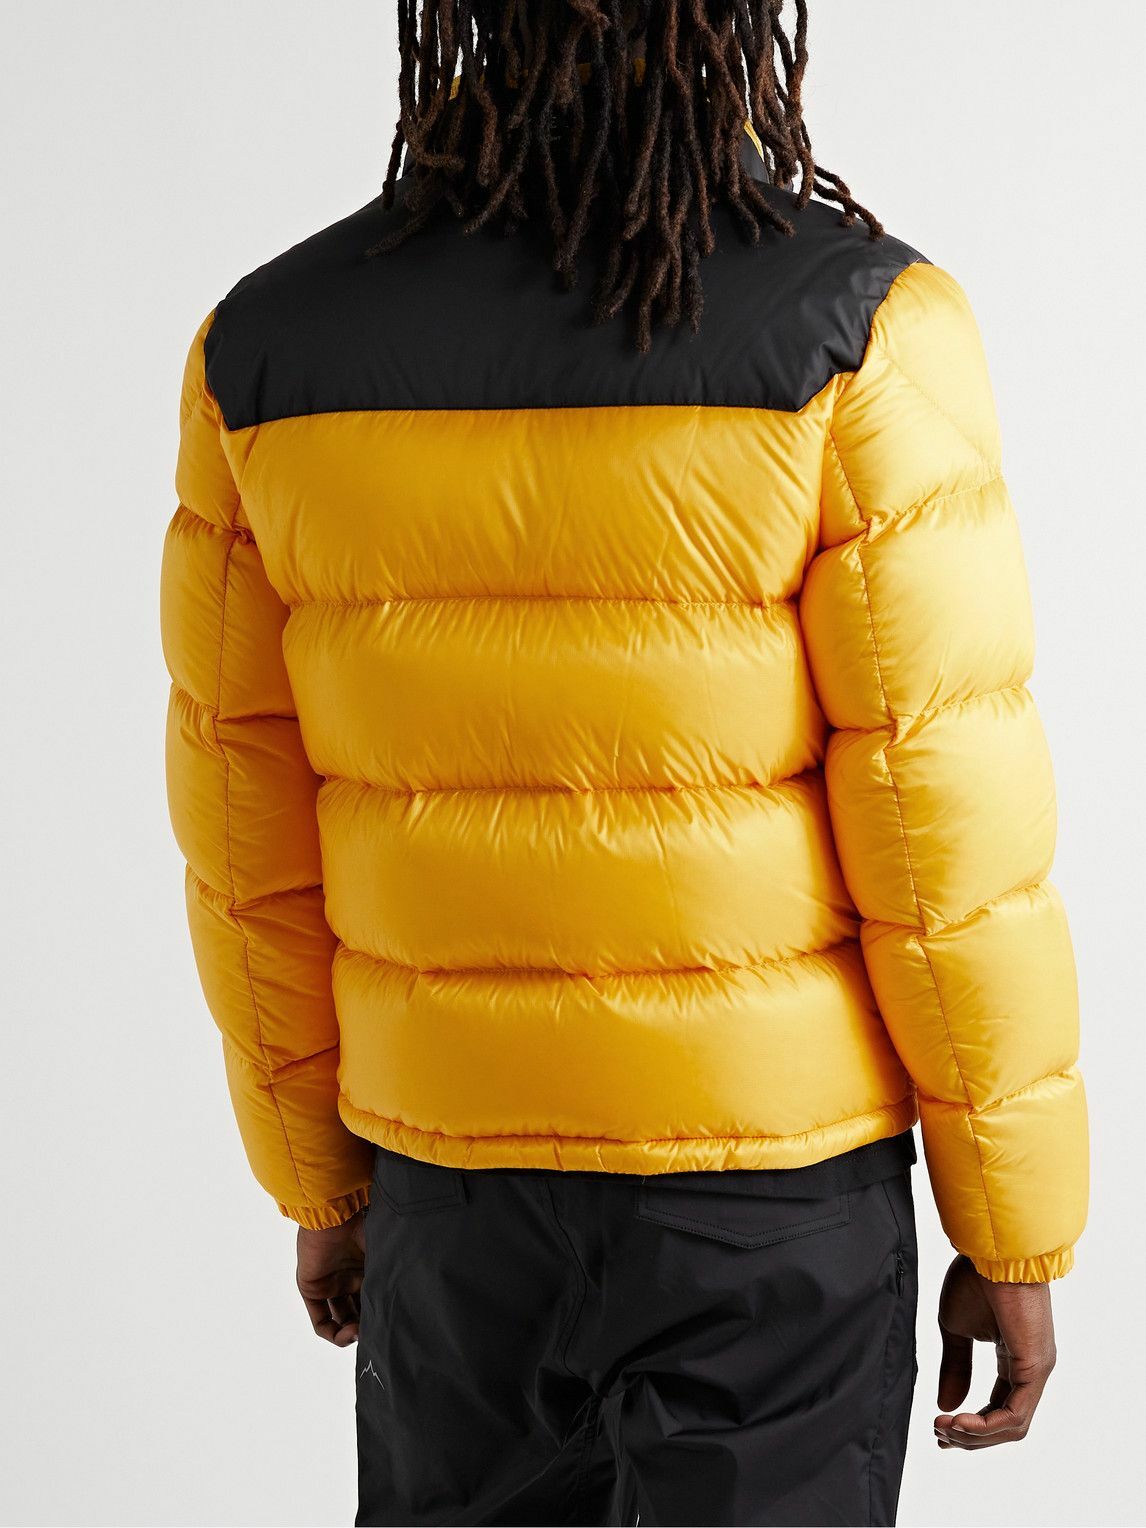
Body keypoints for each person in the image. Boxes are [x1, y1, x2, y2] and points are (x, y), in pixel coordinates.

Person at [161, 1, 1088, 1522]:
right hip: (769, 1198)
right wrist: (1012, 1222)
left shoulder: (266, 346)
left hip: (452, 1186)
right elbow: (948, 835)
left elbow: (240, 823)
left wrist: (313, 1174)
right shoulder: (861, 322)